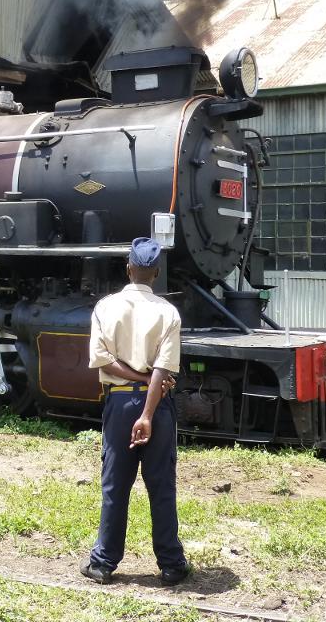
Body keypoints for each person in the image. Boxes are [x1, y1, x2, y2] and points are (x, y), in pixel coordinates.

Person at [80, 237, 189, 587]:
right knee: (161, 485)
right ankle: (171, 565)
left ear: (128, 268)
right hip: (156, 407)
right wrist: (147, 410)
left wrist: (135, 384)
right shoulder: (168, 312)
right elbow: (163, 370)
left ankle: (102, 564)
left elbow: (101, 359)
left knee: (115, 484)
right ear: (156, 272)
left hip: (118, 402)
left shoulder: (105, 307)